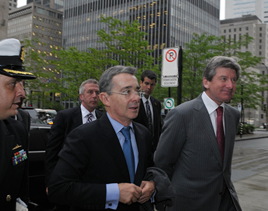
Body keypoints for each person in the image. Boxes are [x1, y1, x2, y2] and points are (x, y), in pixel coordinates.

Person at [48, 66, 155, 211]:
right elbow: (59, 189)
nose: (136, 98)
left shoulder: (143, 134)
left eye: (137, 91)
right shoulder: (83, 137)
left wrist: (152, 183)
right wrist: (114, 193)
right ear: (105, 98)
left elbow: (149, 169)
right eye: (126, 92)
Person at [154, 56, 242, 211]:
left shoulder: (232, 115)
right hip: (188, 204)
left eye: (234, 80)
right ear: (206, 82)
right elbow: (162, 162)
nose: (230, 85)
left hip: (224, 202)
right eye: (223, 78)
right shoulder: (181, 114)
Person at [0, 38, 36, 210]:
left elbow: (20, 190)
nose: (22, 93)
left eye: (22, 84)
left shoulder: (17, 130)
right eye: (12, 84)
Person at [45, 79, 103, 209]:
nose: (94, 95)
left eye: (97, 92)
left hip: (96, 186)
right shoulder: (64, 117)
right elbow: (52, 152)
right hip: (70, 183)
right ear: (81, 96)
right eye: (90, 92)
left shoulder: (103, 118)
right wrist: (51, 182)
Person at [134, 70, 162, 153]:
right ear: (141, 83)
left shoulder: (156, 103)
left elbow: (158, 128)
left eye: (152, 84)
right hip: (138, 148)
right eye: (146, 83)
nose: (149, 87)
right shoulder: (134, 101)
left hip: (154, 150)